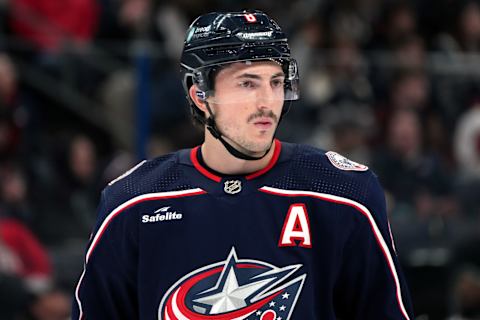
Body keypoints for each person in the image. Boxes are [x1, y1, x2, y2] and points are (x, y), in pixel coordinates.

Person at [72, 10, 414, 319]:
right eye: (248, 83)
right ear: (199, 95)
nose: (267, 102)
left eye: (276, 83)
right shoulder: (132, 202)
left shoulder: (343, 192)